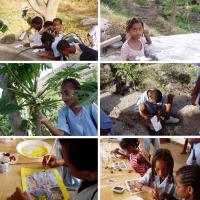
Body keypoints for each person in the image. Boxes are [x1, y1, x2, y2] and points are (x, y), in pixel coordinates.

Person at [7, 139, 98, 200]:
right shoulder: (94, 170)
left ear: (89, 175)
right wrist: (63, 162)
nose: (64, 162)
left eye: (68, 163)